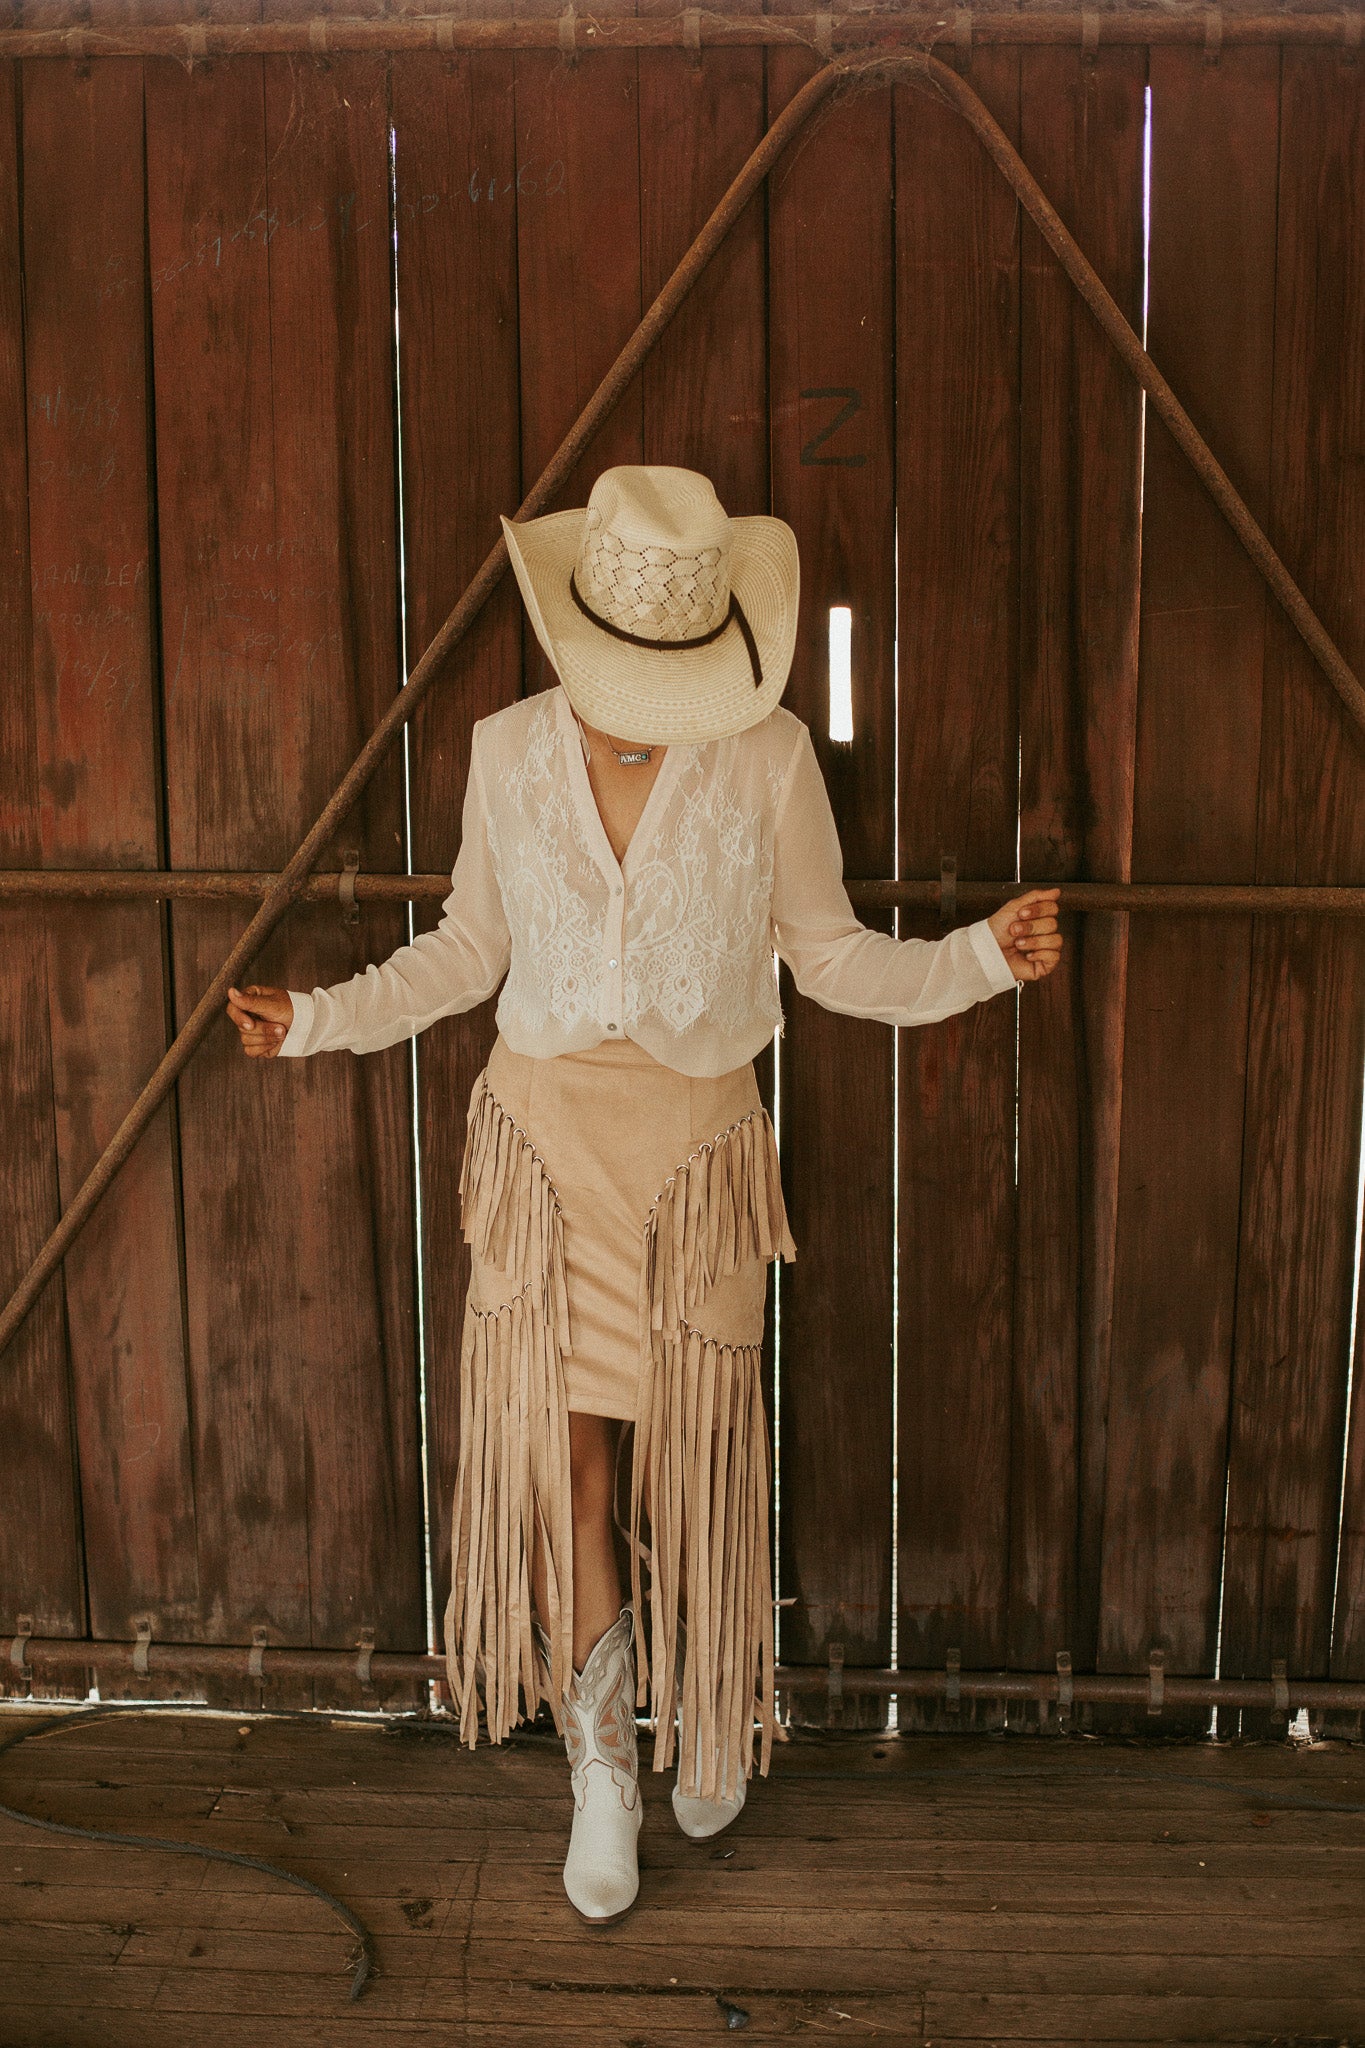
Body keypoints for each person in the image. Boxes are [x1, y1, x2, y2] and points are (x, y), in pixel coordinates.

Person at [226, 463, 1062, 1927]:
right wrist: (318, 1020)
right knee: (568, 1474)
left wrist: (978, 957)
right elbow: (465, 952)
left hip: (698, 1159)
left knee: (693, 1461)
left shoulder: (771, 755)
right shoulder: (503, 749)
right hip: (543, 1154)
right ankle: (600, 1765)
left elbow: (832, 955)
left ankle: (715, 1714)